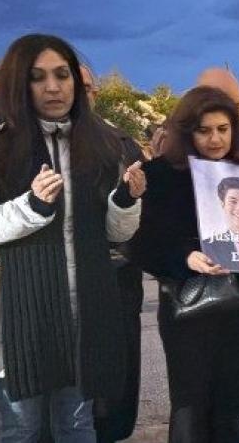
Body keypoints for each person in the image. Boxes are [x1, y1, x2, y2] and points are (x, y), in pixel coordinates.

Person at [0, 33, 146, 442]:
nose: (53, 86)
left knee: (77, 426)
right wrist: (32, 207)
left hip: (86, 311)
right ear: (18, 84)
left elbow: (114, 234)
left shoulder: (98, 141)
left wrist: (126, 200)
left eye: (63, 75)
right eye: (38, 77)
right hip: (19, 313)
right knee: (21, 429)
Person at [130, 86, 239, 442]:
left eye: (223, 128)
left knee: (233, 405)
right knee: (190, 409)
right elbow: (141, 244)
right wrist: (185, 258)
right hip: (189, 307)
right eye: (204, 130)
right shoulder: (160, 176)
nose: (215, 138)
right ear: (187, 131)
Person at [81, 64, 149, 443]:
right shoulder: (34, 146)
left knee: (115, 391)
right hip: (62, 287)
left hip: (118, 281)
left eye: (87, 87)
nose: (80, 93)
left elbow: (143, 215)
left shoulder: (122, 143)